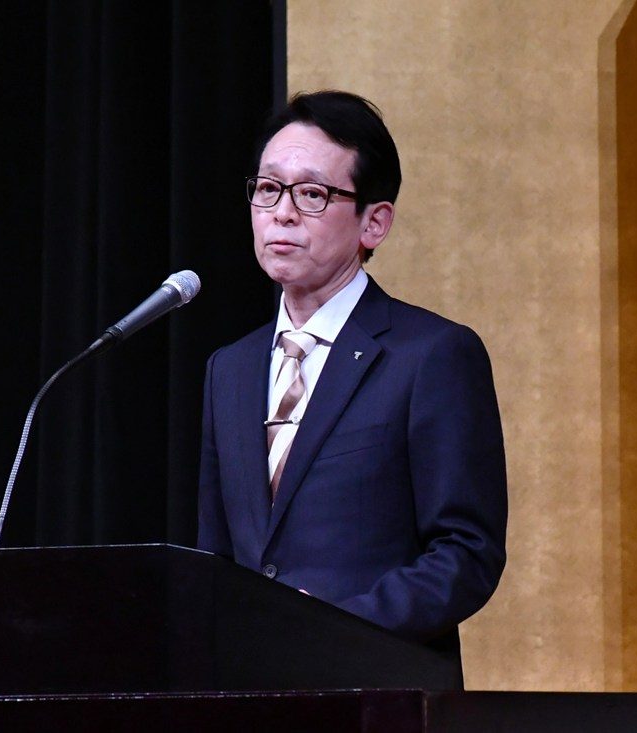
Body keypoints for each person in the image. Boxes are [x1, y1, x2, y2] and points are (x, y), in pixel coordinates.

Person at [197, 90, 507, 677]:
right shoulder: (229, 369)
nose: (282, 213)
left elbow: (467, 554)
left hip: (380, 690)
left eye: (312, 194)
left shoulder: (432, 355)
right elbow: (216, 557)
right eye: (268, 189)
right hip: (252, 696)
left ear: (375, 222)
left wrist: (333, 626)